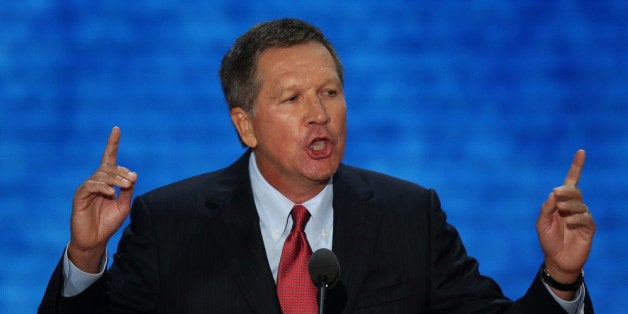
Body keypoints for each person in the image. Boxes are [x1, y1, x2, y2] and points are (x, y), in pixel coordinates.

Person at [39, 18, 595, 313]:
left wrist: (560, 277)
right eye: (291, 99)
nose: (319, 114)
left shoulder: (410, 216)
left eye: (330, 92)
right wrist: (87, 256)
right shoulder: (171, 223)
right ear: (246, 124)